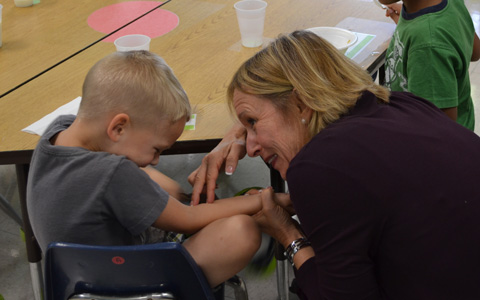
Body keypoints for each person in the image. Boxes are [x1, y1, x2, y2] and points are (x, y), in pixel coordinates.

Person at [189, 30, 480, 299]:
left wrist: (289, 235)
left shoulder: (318, 166)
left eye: (253, 122)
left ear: (301, 104)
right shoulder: (403, 104)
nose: (250, 148)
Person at [26, 50, 289, 288]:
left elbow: (122, 176)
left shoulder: (57, 131)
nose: (156, 160)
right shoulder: (113, 173)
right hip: (125, 284)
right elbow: (189, 218)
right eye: (157, 150)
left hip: (74, 280)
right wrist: (264, 201)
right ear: (118, 128)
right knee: (241, 231)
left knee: (165, 186)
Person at [379, 0, 480, 130]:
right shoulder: (448, 4)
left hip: (429, 139)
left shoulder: (427, 44)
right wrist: (410, 27)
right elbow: (475, 52)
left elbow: (439, 131)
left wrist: (421, 35)